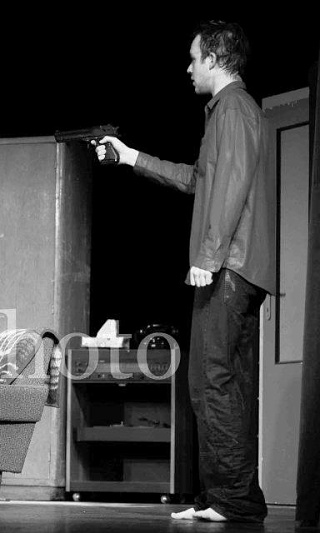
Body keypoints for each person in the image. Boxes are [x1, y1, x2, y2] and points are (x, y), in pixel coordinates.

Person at [96, 21, 273, 523]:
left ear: (214, 59)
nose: (188, 67)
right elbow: (197, 179)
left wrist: (208, 258)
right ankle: (234, 497)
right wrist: (131, 157)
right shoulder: (227, 112)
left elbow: (231, 184)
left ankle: (231, 500)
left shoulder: (233, 108)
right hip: (237, 266)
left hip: (229, 265)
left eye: (194, 58)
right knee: (224, 384)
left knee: (209, 382)